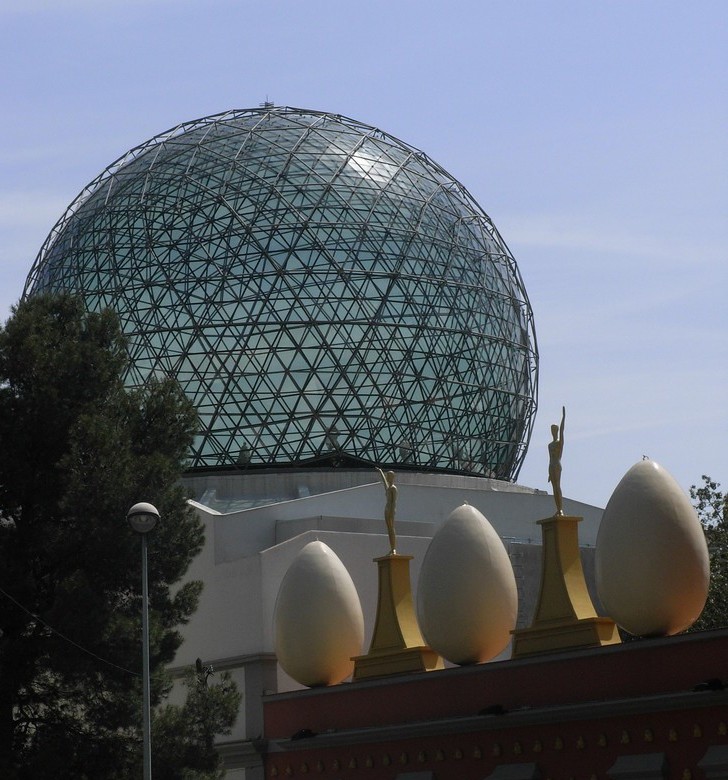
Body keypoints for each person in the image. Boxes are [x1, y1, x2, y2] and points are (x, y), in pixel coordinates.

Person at [548, 407, 566, 516]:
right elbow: (550, 458)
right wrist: (548, 473)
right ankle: (557, 509)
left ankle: (560, 509)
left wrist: (563, 417)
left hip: (557, 465)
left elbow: (562, 430)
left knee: (558, 486)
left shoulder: (559, 442)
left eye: (554, 429)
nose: (552, 431)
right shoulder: (550, 445)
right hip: (551, 466)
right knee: (554, 488)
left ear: (557, 430)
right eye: (551, 430)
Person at [377, 468, 398, 554]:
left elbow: (394, 501)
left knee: (392, 528)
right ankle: (391, 548)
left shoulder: (393, 488)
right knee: (389, 529)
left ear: (392, 477)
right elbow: (384, 481)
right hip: (386, 508)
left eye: (388, 476)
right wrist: (380, 471)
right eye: (387, 475)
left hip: (391, 509)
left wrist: (393, 511)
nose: (387, 477)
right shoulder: (388, 488)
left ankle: (393, 548)